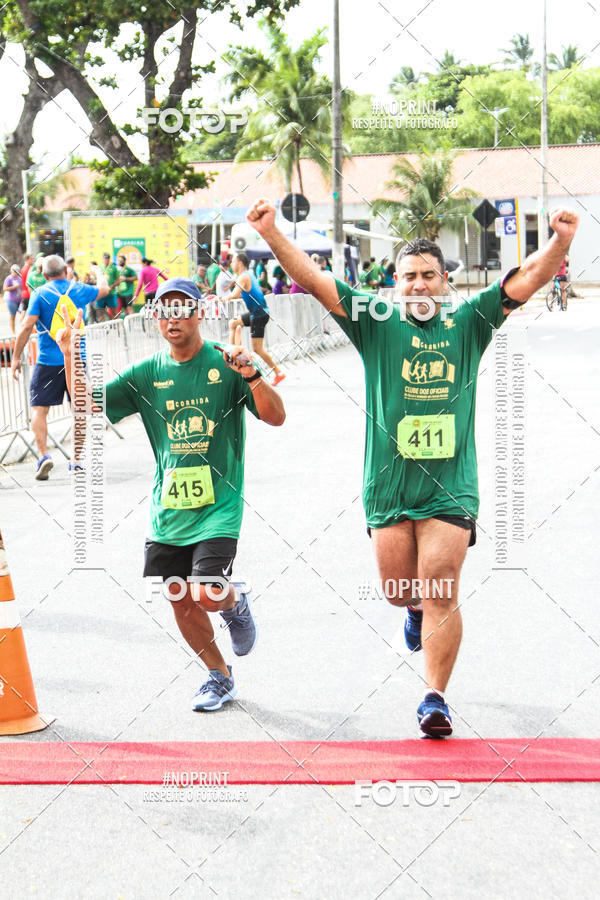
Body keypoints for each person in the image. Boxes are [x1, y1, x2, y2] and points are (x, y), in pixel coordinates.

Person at [246, 197, 580, 738]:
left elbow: (528, 279)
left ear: (445, 281)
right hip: (388, 487)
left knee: (441, 584)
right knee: (401, 590)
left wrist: (560, 241)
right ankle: (414, 610)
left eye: (429, 275)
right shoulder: (373, 323)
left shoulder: (469, 320)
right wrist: (272, 233)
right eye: (409, 277)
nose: (419, 285)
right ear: (394, 284)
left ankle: (434, 698)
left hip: (451, 485)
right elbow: (314, 279)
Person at [55, 277, 285, 711]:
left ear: (199, 313)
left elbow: (276, 416)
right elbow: (87, 405)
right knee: (180, 598)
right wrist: (69, 354)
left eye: (182, 309)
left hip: (219, 505)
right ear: (156, 318)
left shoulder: (226, 361)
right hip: (169, 509)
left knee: (207, 591)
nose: (173, 317)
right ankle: (219, 676)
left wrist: (252, 374)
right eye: (165, 310)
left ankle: (234, 602)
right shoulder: (147, 372)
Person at [10, 255, 109, 479]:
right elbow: (104, 289)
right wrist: (98, 272)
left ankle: (44, 456)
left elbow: (26, 327)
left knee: (39, 409)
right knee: (79, 408)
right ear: (65, 270)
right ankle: (75, 460)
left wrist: (16, 357)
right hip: (76, 359)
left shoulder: (40, 293)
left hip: (47, 361)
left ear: (44, 275)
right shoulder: (79, 288)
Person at [224, 253, 286, 387]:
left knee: (257, 349)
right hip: (256, 313)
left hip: (259, 315)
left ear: (240, 263)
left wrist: (219, 299)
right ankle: (231, 356)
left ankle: (278, 372)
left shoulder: (243, 277)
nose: (231, 264)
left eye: (233, 262)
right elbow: (240, 294)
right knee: (233, 323)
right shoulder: (247, 274)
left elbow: (234, 295)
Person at [98, 252, 120, 321]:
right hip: (101, 294)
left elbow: (118, 280)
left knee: (114, 312)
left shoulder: (113, 268)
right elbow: (96, 280)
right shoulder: (99, 268)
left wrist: (111, 286)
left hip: (111, 293)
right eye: (105, 258)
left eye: (108, 258)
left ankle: (118, 326)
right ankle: (102, 326)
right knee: (100, 312)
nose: (106, 260)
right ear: (102, 259)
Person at [3, 265, 22, 333]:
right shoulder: (9, 278)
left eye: (17, 271)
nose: (15, 273)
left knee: (23, 315)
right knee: (13, 315)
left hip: (19, 300)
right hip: (11, 299)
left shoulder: (20, 278)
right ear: (11, 271)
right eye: (14, 271)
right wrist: (14, 287)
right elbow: (5, 288)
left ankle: (22, 330)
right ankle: (13, 332)